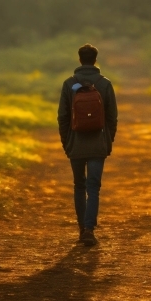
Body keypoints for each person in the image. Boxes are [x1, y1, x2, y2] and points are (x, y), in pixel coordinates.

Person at [58, 43, 118, 247]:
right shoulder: (105, 84)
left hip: (76, 144)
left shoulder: (69, 84)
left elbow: (63, 117)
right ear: (95, 59)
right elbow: (112, 117)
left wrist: (67, 142)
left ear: (79, 59)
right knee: (93, 187)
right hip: (97, 144)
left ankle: (82, 228)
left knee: (79, 185)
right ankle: (90, 230)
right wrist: (108, 141)